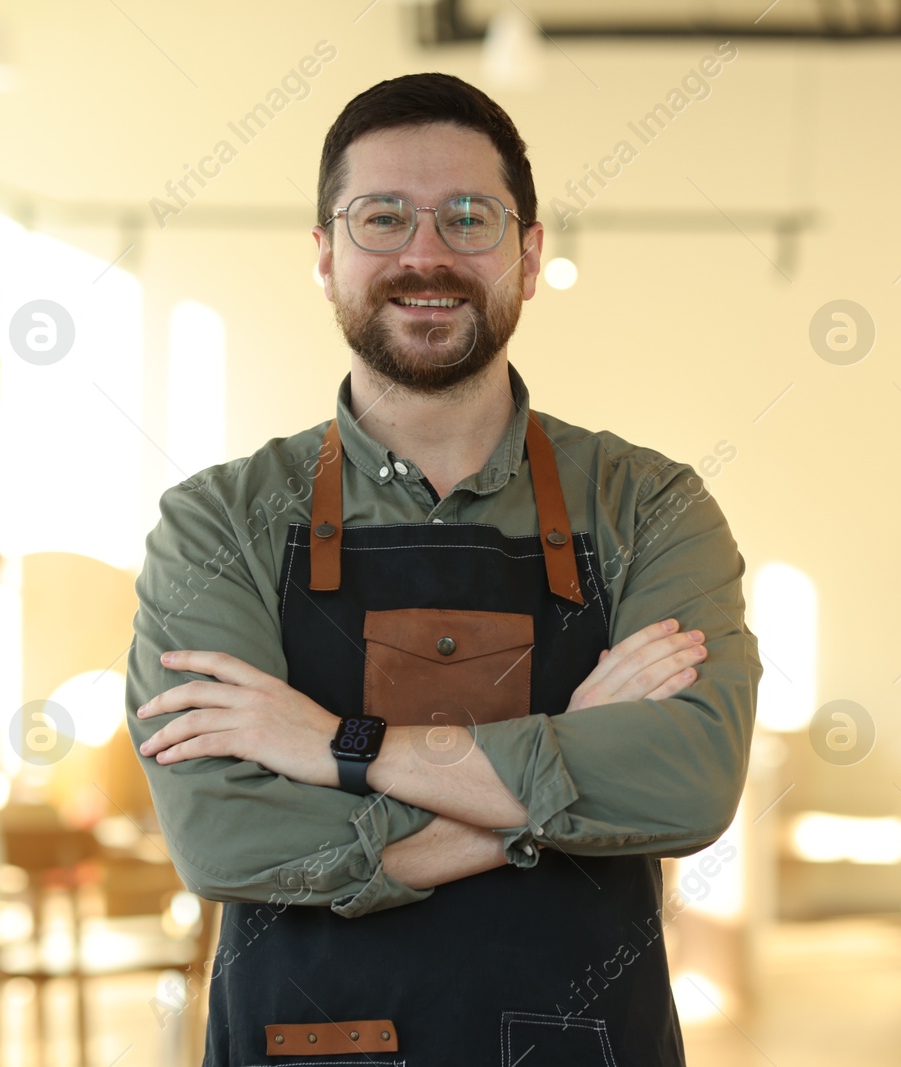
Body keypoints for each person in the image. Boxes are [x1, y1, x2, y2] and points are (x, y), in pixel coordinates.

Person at [124, 72, 760, 1066]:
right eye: (383, 218)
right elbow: (224, 837)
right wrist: (568, 767)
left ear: (529, 253)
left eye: (469, 217)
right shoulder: (220, 521)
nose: (426, 253)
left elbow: (686, 786)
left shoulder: (650, 505)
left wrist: (339, 744)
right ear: (327, 258)